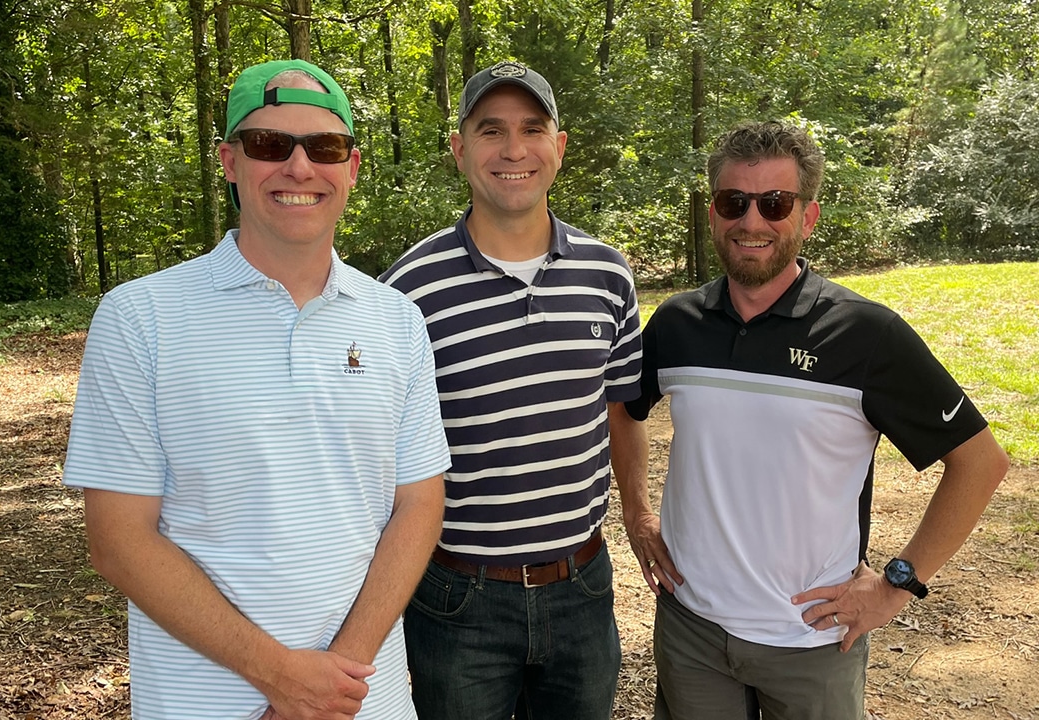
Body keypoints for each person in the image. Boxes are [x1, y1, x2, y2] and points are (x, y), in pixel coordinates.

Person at [62, 59, 450, 720]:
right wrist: (278, 677)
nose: (299, 167)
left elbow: (418, 505)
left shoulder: (397, 320)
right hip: (202, 704)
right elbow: (119, 539)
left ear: (352, 167)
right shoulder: (140, 317)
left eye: (325, 147)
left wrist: (331, 685)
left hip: (365, 700)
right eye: (270, 144)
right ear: (230, 161)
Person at [625, 120, 1010, 720]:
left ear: (808, 217)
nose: (752, 221)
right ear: (713, 213)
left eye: (775, 203)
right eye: (734, 202)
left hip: (812, 638)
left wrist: (897, 585)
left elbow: (981, 463)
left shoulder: (866, 334)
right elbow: (624, 409)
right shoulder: (676, 325)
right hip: (691, 629)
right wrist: (637, 512)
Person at [380, 61, 667, 720]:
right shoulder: (408, 290)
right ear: (459, 150)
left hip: (581, 588)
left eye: (532, 129)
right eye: (491, 131)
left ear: (558, 147)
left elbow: (621, 409)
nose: (513, 150)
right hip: (457, 598)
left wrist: (638, 512)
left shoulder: (608, 275)